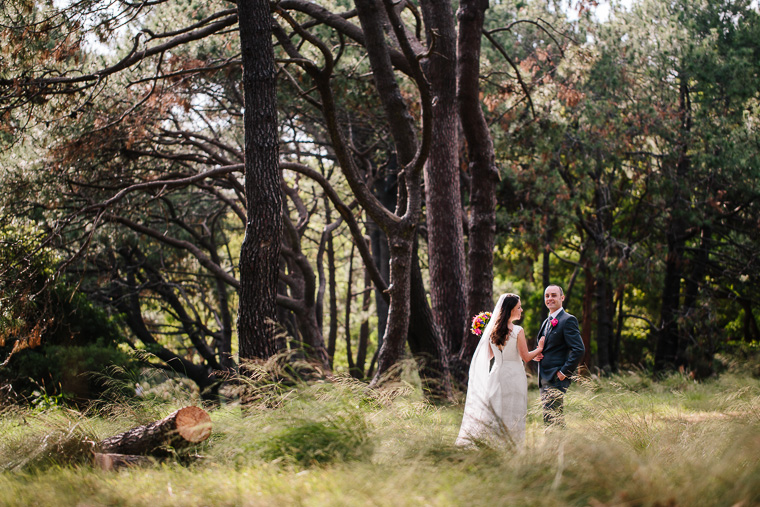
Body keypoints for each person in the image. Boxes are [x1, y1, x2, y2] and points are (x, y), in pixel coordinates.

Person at [456, 293, 545, 446]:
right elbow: (525, 357)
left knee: (495, 410)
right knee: (513, 411)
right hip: (514, 375)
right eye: (519, 307)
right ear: (510, 310)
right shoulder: (518, 330)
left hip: (496, 374)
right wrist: (540, 348)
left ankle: (491, 443)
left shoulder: (492, 330)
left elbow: (490, 355)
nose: (521, 310)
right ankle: (512, 445)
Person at [535, 284, 585, 426]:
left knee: (553, 418)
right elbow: (547, 347)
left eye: (553, 295)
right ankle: (557, 447)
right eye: (547, 296)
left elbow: (579, 349)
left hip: (556, 377)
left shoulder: (568, 320)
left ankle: (557, 446)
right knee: (550, 417)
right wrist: (536, 355)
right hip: (544, 376)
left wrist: (564, 371)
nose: (550, 298)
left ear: (562, 298)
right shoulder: (546, 321)